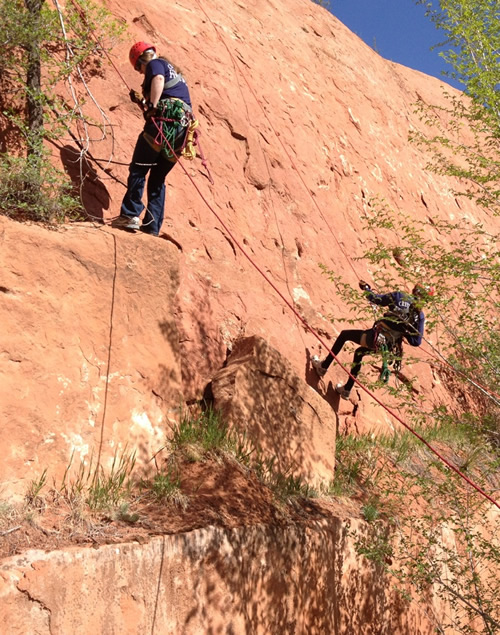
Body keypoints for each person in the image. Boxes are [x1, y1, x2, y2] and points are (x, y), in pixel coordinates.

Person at [114, 42, 193, 236]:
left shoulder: (156, 64)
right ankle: (152, 227)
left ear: (142, 59)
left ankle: (130, 214)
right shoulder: (176, 74)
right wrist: (142, 103)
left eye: (138, 67)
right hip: (181, 132)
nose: (141, 72)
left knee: (139, 168)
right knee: (157, 179)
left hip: (163, 123)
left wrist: (151, 105)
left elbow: (157, 79)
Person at [312, 281, 433, 399]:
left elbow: (375, 299)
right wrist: (404, 331)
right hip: (388, 347)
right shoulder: (420, 316)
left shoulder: (400, 296)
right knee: (359, 353)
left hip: (375, 337)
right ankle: (346, 390)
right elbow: (416, 342)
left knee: (344, 335)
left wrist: (367, 289)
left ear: (414, 290)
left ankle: (323, 367)